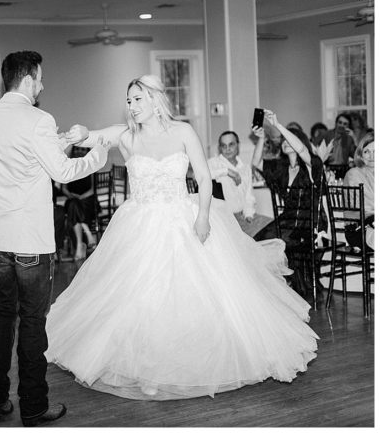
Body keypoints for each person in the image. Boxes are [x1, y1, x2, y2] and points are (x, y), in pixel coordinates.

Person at [45, 77, 318, 400]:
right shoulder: (126, 135)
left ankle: (197, 361)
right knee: (144, 299)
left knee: (195, 296)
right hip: (140, 225)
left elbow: (203, 177)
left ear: (155, 99)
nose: (132, 105)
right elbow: (94, 136)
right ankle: (147, 369)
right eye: (129, 100)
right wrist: (80, 133)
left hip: (183, 220)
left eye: (138, 99)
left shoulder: (183, 132)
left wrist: (202, 216)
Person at [0, 50, 108, 426]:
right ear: (28, 78)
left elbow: (24, 162)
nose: (43, 85)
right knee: (33, 322)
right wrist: (97, 156)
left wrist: (58, 144)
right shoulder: (38, 119)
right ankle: (33, 406)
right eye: (40, 77)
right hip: (30, 241)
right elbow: (62, 172)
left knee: (1, 316)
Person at [252, 110, 326, 298]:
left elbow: (302, 150)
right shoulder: (281, 168)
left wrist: (278, 125)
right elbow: (256, 162)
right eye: (283, 140)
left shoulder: (312, 166)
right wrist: (261, 138)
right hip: (288, 220)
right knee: (256, 242)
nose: (285, 142)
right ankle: (272, 288)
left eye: (289, 139)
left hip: (309, 221)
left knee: (278, 241)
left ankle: (288, 282)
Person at [207, 130, 271, 238]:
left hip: (243, 218)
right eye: (223, 146)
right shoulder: (213, 163)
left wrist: (249, 214)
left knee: (273, 225)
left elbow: (248, 197)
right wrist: (226, 171)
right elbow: (199, 177)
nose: (227, 149)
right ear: (220, 148)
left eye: (231, 144)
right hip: (225, 220)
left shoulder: (245, 168)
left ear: (238, 145)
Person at [60, 145, 97, 259]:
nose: (79, 151)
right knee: (73, 204)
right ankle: (88, 232)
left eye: (82, 149)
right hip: (72, 199)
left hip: (87, 200)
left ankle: (80, 245)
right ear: (73, 150)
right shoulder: (68, 166)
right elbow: (64, 189)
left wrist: (80, 197)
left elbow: (92, 190)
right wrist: (72, 196)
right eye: (77, 149)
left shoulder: (91, 166)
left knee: (74, 207)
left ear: (87, 151)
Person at [343, 132, 374, 250]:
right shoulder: (353, 174)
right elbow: (366, 207)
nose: (372, 156)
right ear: (360, 154)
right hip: (358, 229)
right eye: (367, 152)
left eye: (376, 151)